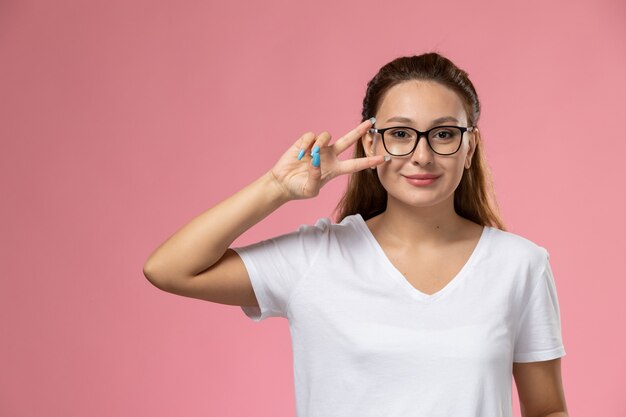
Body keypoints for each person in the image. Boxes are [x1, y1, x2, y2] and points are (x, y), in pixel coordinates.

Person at [143, 52, 568, 417]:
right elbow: (169, 269)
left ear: (469, 147)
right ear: (370, 143)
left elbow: (547, 408)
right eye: (400, 134)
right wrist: (276, 188)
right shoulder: (315, 259)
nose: (422, 156)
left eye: (443, 134)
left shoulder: (520, 265)